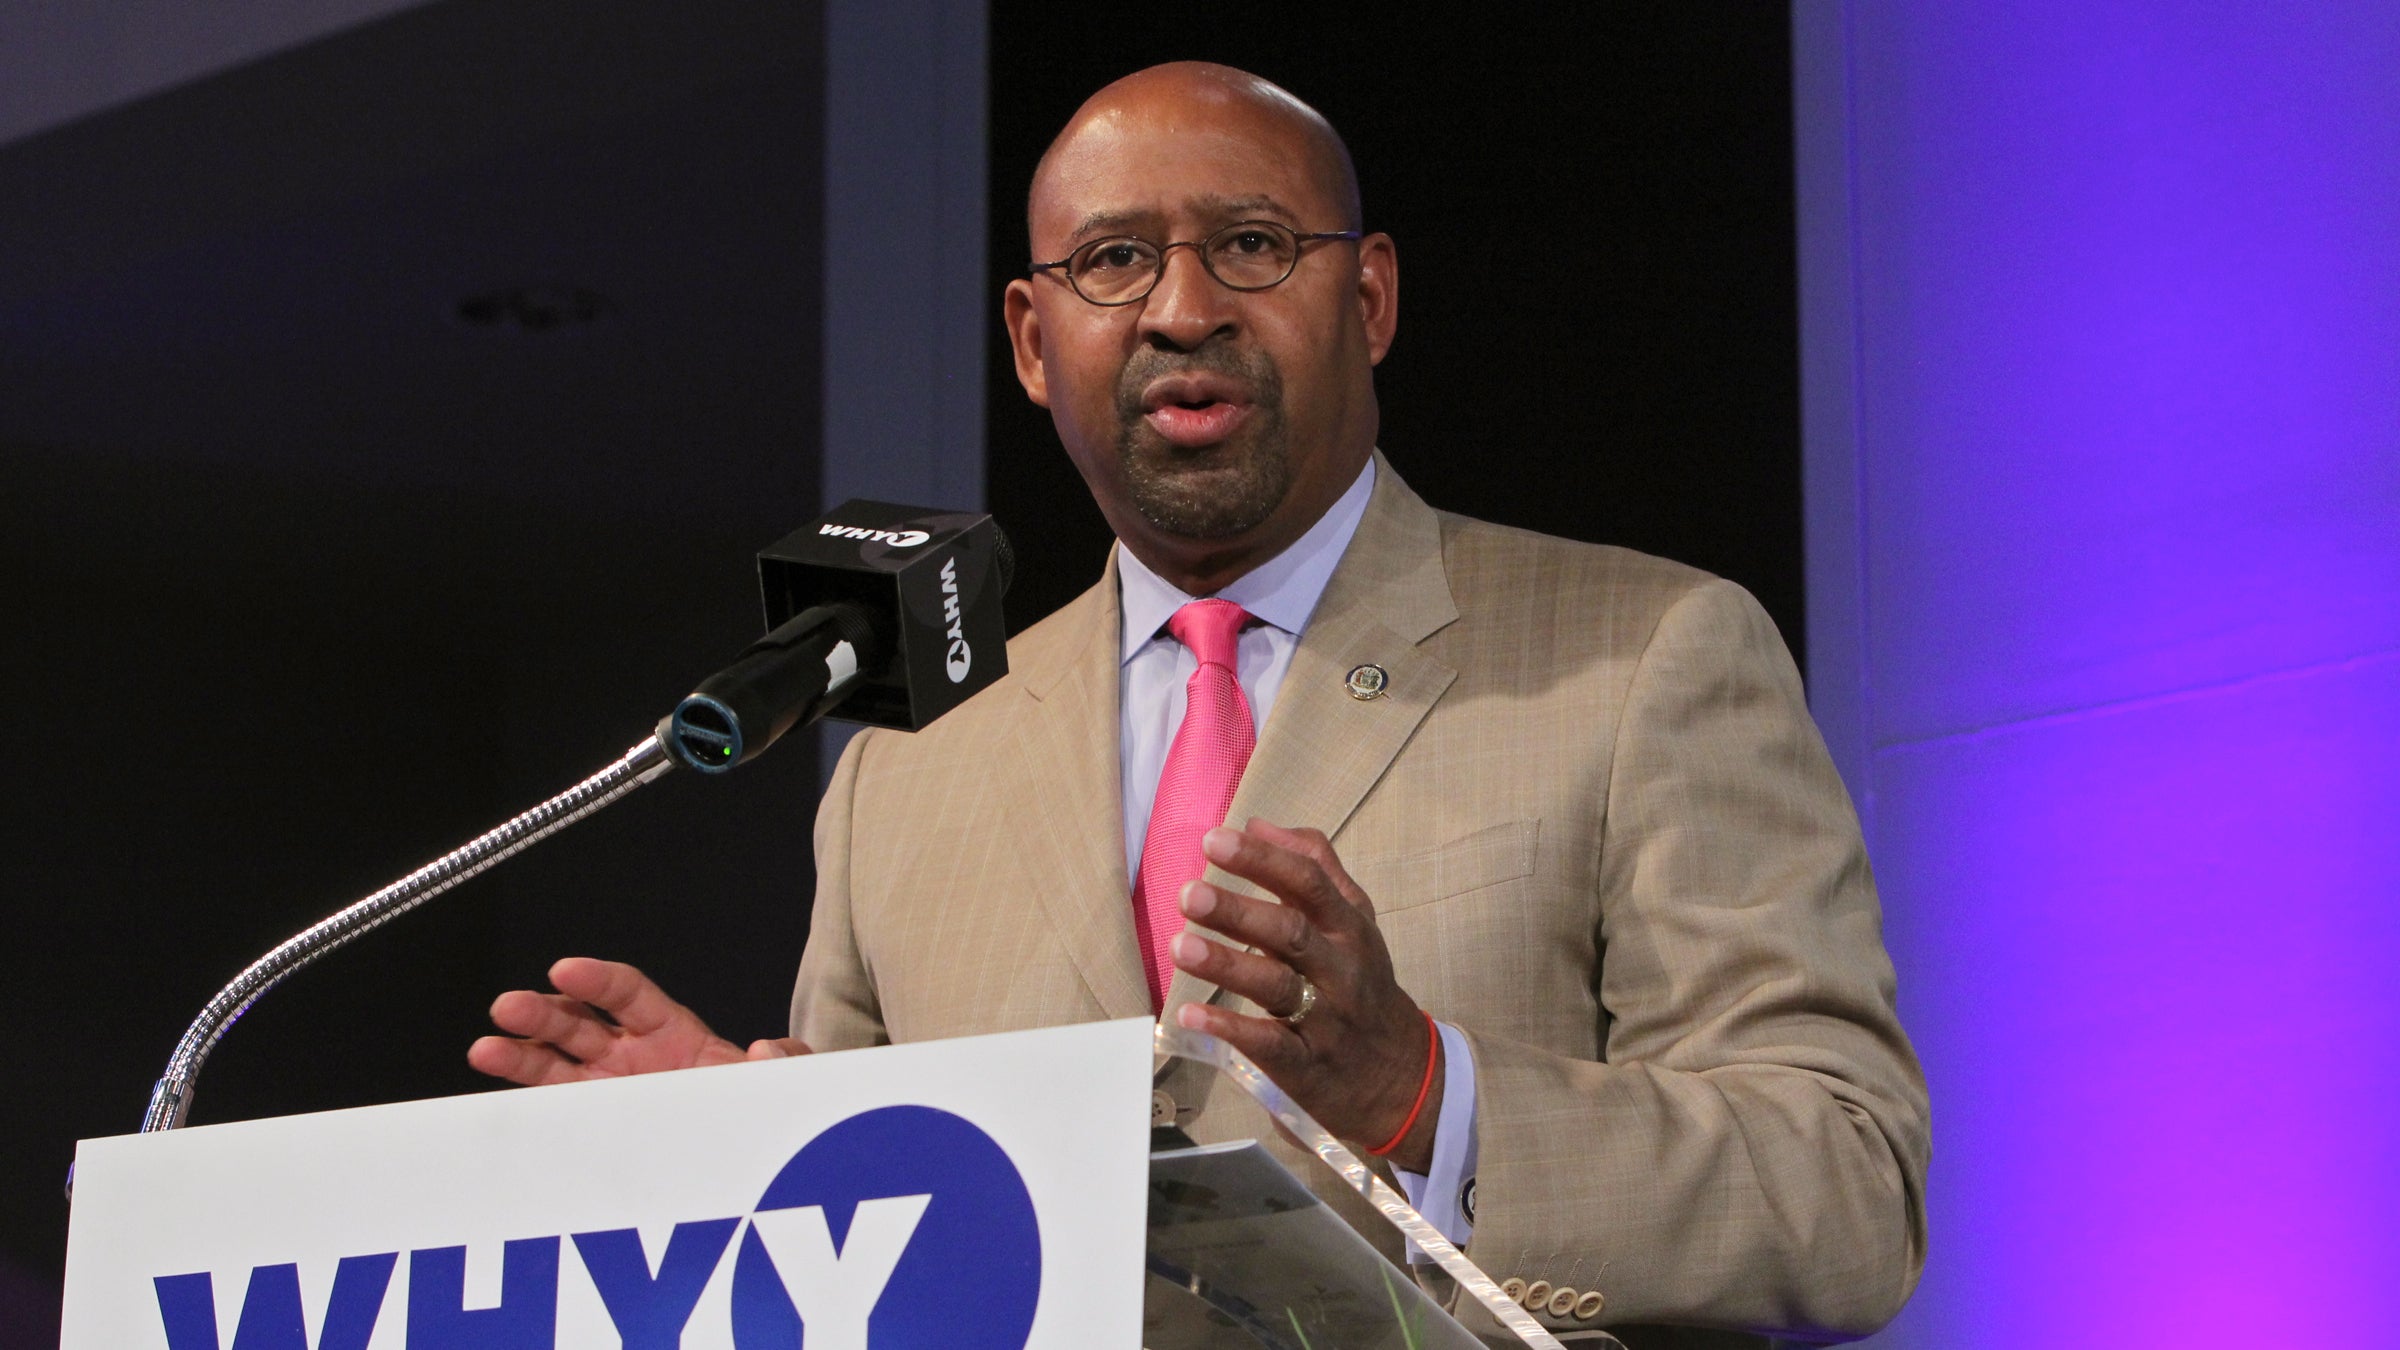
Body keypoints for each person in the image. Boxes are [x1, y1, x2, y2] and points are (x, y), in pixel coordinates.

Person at [471, 62, 1929, 1347]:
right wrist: (752, 1161)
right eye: (1113, 260)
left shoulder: (1649, 653)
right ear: (1035, 344)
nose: (1183, 309)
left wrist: (1425, 1094)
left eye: (1249, 245)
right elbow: (886, 1267)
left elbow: (1845, 1194)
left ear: (1367, 300)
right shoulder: (907, 771)